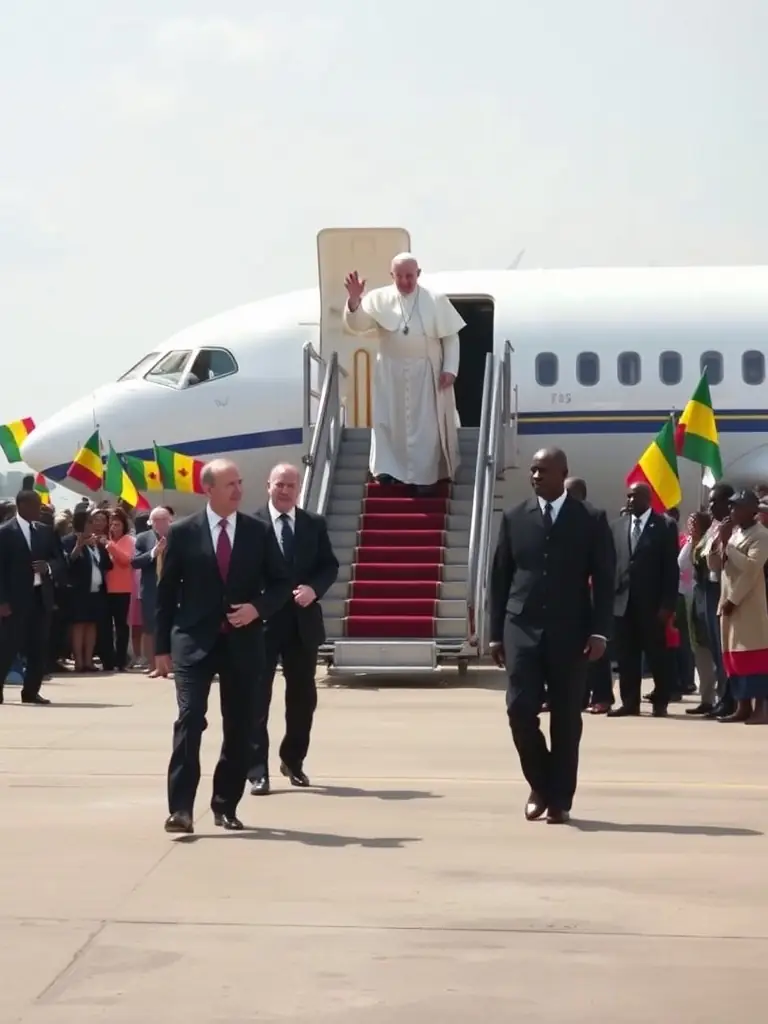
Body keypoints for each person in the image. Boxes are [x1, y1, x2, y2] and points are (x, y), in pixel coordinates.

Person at [155, 459, 291, 834]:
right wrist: (161, 647)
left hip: (243, 644)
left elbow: (281, 584)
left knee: (240, 727)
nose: (238, 489)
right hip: (193, 643)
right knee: (190, 719)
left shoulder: (258, 532)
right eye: (230, 483)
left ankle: (224, 805)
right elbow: (166, 593)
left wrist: (256, 609)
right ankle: (180, 809)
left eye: (240, 482)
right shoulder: (183, 533)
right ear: (208, 489)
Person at [489, 447, 615, 824]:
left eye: (542, 470)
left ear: (563, 473)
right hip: (521, 626)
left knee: (566, 718)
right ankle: (540, 782)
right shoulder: (514, 518)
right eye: (532, 470)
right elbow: (500, 579)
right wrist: (496, 633)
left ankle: (560, 796)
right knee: (519, 708)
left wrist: (600, 633)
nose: (535, 476)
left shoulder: (590, 519)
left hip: (570, 631)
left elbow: (605, 581)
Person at [248, 463, 339, 793]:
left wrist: (315, 588)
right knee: (257, 698)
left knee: (303, 699)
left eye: (291, 485)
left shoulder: (313, 524)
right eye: (279, 484)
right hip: (262, 624)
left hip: (302, 623)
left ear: (298, 488)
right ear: (268, 485)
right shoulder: (251, 524)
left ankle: (293, 759)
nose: (285, 490)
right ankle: (257, 769)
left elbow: (329, 565)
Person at [343, 253, 465, 495]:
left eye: (410, 276)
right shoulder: (379, 298)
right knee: (388, 422)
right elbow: (358, 326)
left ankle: (426, 477)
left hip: (426, 371)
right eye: (399, 276)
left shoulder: (435, 300)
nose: (405, 282)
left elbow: (451, 337)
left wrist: (450, 369)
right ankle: (389, 471)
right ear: (392, 276)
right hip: (391, 372)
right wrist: (355, 301)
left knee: (426, 428)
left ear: (418, 274)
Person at [608, 483, 679, 718]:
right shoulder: (617, 527)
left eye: (634, 496)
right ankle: (630, 703)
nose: (629, 500)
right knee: (626, 657)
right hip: (623, 604)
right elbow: (614, 565)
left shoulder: (664, 526)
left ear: (648, 499)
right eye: (627, 495)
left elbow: (671, 569)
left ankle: (661, 701)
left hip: (653, 606)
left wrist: (667, 605)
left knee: (657, 656)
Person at [707, 489, 768, 724]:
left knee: (755, 657)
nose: (732, 510)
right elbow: (715, 565)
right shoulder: (732, 534)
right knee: (735, 659)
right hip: (728, 603)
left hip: (747, 604)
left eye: (738, 506)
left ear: (752, 510)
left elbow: (751, 569)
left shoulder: (761, 536)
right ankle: (742, 706)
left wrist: (733, 601)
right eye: (731, 506)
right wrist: (719, 542)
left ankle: (760, 708)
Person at [0, 489, 64, 705]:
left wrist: (48, 567)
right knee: (7, 647)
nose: (40, 509)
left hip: (40, 598)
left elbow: (59, 561)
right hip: (15, 602)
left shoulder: (45, 532)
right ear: (23, 506)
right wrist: (2, 601)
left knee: (38, 648)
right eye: (36, 505)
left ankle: (30, 692)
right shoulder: (5, 532)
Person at [565, 476, 615, 714]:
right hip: (568, 597)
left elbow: (604, 564)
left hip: (592, 594)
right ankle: (578, 696)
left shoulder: (593, 519)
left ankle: (602, 696)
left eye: (568, 493)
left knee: (596, 652)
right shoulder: (559, 519)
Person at [132, 506, 173, 677]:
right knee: (150, 629)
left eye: (164, 520)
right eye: (157, 520)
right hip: (150, 590)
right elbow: (135, 561)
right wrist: (154, 552)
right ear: (151, 523)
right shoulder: (143, 538)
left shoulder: (177, 536)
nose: (160, 524)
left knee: (171, 627)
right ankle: (154, 665)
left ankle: (170, 666)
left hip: (172, 589)